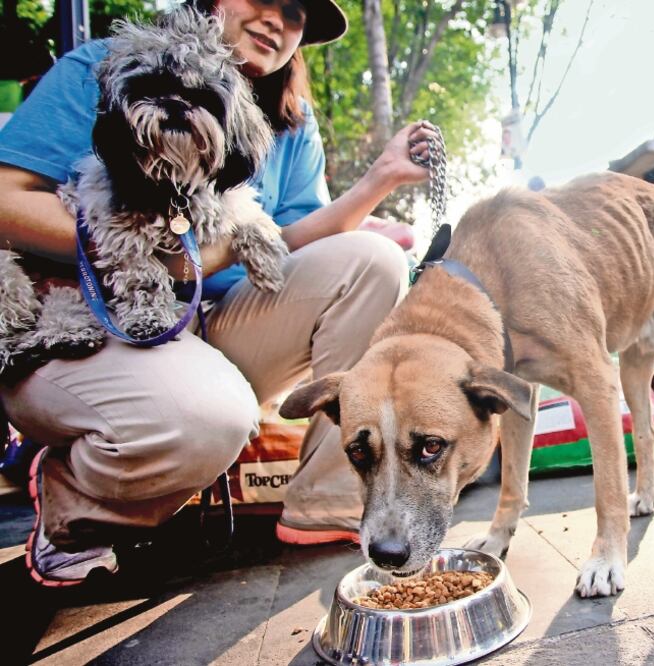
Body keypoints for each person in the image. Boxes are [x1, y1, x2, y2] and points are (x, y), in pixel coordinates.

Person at [0, 0, 438, 586]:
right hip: (91, 319)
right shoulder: (103, 69)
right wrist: (148, 240)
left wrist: (378, 180)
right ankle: (80, 507)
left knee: (375, 260)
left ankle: (329, 502)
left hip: (217, 319)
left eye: (295, 13)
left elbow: (283, 244)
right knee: (204, 419)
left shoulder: (292, 121)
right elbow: (6, 198)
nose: (278, 20)